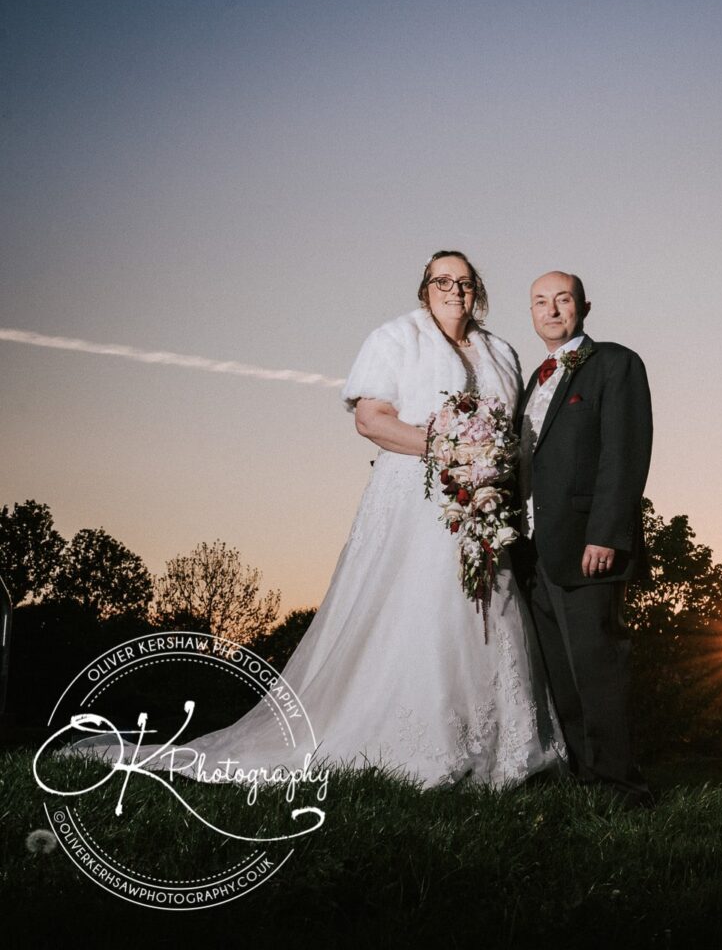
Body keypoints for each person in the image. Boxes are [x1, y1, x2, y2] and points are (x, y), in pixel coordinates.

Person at [71, 252, 564, 788]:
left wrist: (490, 470)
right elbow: (371, 420)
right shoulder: (395, 338)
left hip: (484, 506)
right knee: (422, 610)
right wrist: (448, 448)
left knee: (491, 608)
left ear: (479, 291)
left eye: (465, 282)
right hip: (414, 501)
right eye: (442, 281)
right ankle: (416, 743)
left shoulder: (501, 351)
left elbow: (509, 430)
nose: (455, 290)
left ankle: (504, 749)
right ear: (425, 288)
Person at [517, 271, 654, 805]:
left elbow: (625, 453)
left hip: (587, 547)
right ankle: (587, 780)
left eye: (563, 299)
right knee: (563, 676)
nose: (551, 310)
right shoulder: (534, 379)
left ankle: (624, 788)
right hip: (535, 551)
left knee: (599, 670)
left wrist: (606, 535)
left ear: (584, 306)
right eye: (540, 302)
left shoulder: (615, 363)